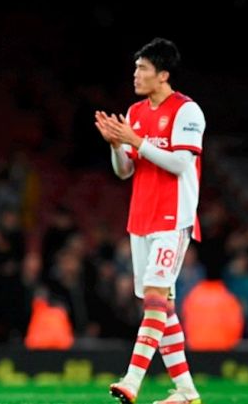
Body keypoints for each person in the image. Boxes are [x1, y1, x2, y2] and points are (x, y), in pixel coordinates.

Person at [95, 38, 205, 404]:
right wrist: (116, 145)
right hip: (140, 217)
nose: (135, 74)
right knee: (160, 304)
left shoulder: (187, 111)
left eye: (142, 69)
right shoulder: (136, 112)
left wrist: (137, 142)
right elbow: (125, 171)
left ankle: (132, 379)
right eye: (136, 68)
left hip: (173, 218)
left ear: (163, 74)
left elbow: (181, 163)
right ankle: (187, 392)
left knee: (156, 298)